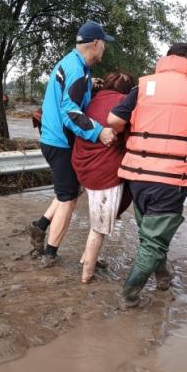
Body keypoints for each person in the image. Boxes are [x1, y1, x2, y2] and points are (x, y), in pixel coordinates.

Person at [108, 42, 187, 308]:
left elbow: (113, 121)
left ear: (167, 59)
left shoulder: (142, 87)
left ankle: (163, 277)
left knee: (149, 234)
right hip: (172, 178)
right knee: (153, 241)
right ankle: (129, 295)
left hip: (138, 175)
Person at [26, 21, 116, 267]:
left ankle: (40, 226)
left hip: (52, 138)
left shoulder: (74, 64)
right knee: (68, 198)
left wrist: (91, 84)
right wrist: (98, 132)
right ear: (96, 44)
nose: (104, 49)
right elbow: (70, 112)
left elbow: (73, 91)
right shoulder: (77, 71)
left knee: (70, 189)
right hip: (60, 142)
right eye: (104, 44)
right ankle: (50, 254)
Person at [71, 72, 136, 283]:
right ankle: (86, 275)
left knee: (97, 218)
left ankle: (87, 258)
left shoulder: (92, 100)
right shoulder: (123, 105)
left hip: (83, 167)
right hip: (104, 172)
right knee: (99, 227)